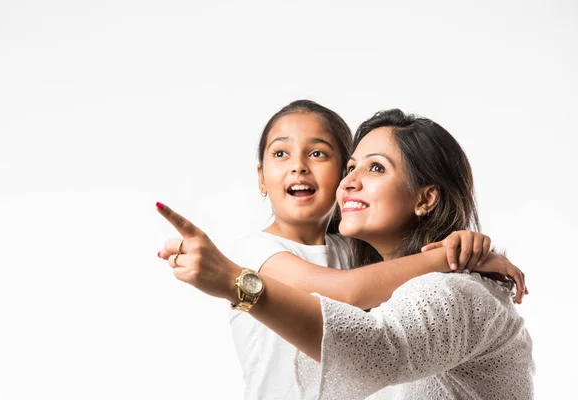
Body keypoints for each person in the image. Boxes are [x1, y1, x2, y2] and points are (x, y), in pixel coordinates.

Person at [156, 108, 532, 399]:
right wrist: (454, 251)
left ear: (426, 198)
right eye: (352, 167)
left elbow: (372, 341)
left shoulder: (448, 292)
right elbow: (350, 292)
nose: (350, 181)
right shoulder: (260, 250)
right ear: (260, 176)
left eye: (375, 168)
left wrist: (234, 284)